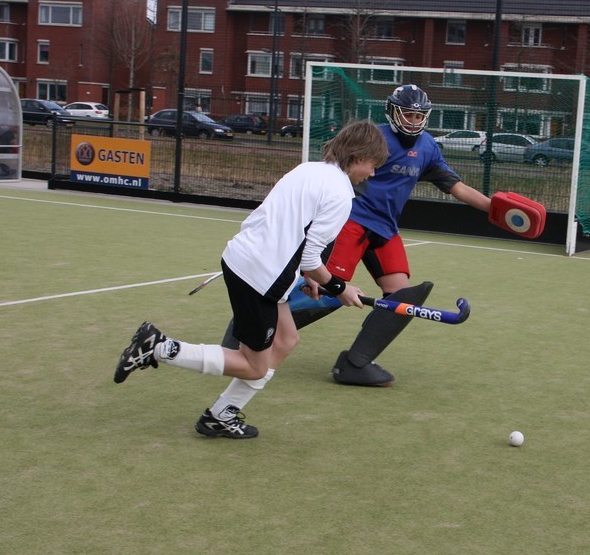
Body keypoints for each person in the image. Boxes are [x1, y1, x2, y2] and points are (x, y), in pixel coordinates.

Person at [113, 119, 390, 439]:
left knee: (285, 341)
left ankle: (221, 415)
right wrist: (339, 288)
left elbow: (292, 235)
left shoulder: (308, 169)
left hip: (244, 258)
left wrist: (309, 277)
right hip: (262, 276)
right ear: (357, 157)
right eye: (372, 165)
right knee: (254, 366)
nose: (372, 173)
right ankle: (159, 347)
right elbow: (310, 257)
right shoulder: (341, 194)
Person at [220, 84, 494, 388]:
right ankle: (247, 332)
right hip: (353, 221)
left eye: (419, 116)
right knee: (327, 291)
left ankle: (355, 363)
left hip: (386, 229)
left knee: (402, 294)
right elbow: (340, 164)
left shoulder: (428, 147)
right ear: (393, 112)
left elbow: (456, 187)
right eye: (408, 114)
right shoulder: (374, 140)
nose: (414, 121)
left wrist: (494, 209)